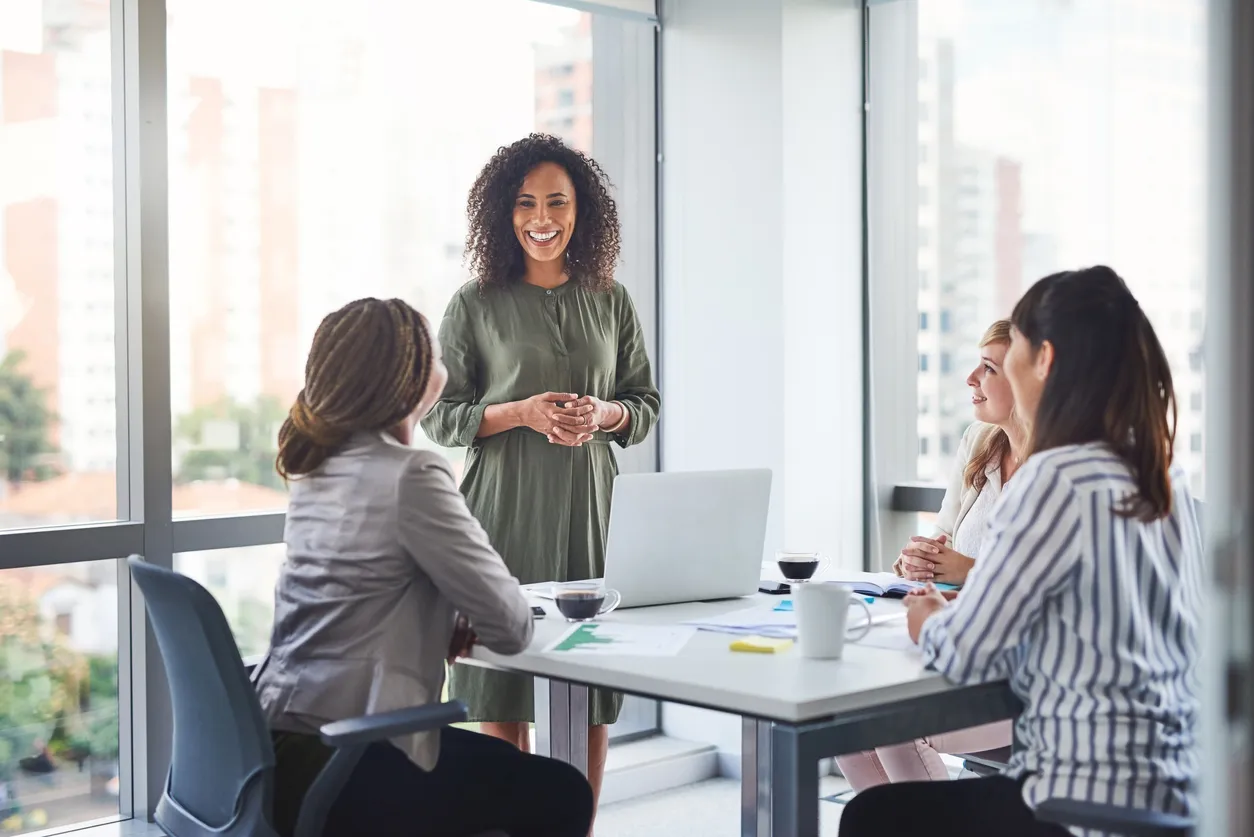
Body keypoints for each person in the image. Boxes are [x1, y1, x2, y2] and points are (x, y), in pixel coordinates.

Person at [840, 266, 1203, 837]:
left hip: (1081, 803)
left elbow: (965, 654)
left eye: (1012, 354)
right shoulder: (1162, 474)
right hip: (1175, 793)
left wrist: (928, 619)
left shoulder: (1055, 478)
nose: (996, 369)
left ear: (1045, 360)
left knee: (872, 818)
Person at [252, 298, 594, 837]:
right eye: (435, 353)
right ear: (412, 378)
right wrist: (460, 609)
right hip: (353, 763)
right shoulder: (412, 473)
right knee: (561, 790)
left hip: (274, 752)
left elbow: (357, 595)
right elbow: (511, 627)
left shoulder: (313, 468)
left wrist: (435, 616)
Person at [421, 133, 661, 821]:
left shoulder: (610, 299)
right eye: (526, 203)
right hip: (502, 511)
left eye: (557, 201)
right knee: (503, 684)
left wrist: (605, 412)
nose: (542, 216)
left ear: (581, 210)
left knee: (592, 686)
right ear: (505, 212)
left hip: (592, 511)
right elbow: (440, 417)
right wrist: (520, 412)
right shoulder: (475, 302)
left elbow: (644, 403)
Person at [836, 320, 1023, 789]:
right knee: (844, 727)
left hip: (1023, 673)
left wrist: (966, 570)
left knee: (897, 727)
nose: (971, 380)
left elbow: (1042, 591)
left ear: (1026, 380)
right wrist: (917, 561)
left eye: (987, 368)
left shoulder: (1059, 473)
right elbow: (943, 535)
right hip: (961, 641)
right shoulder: (979, 443)